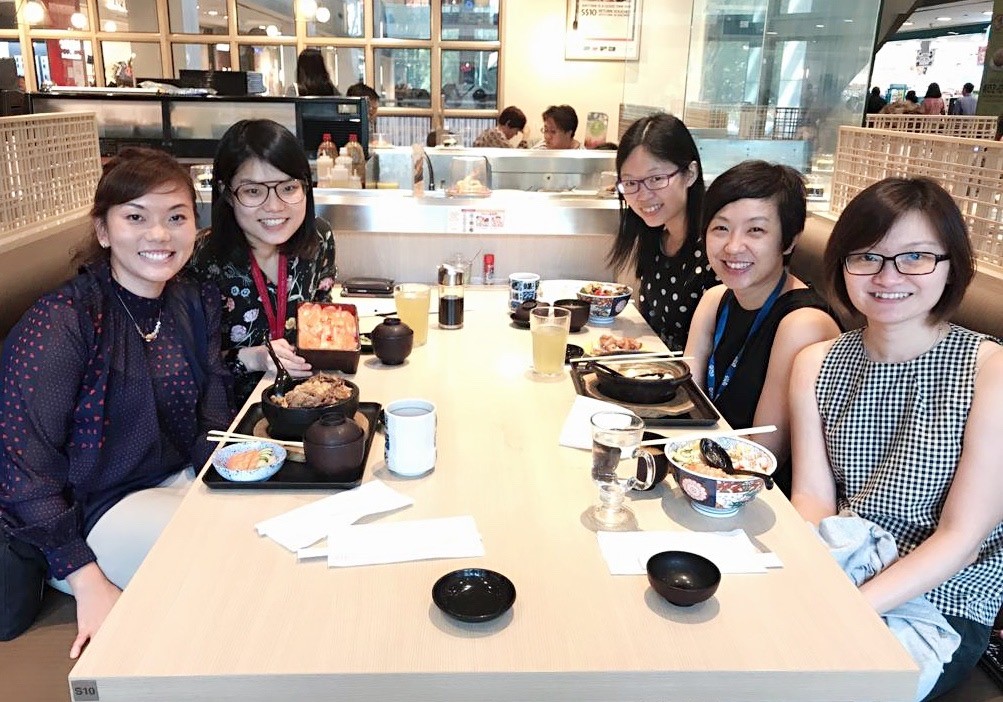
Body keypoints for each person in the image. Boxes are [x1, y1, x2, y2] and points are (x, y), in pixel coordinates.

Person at [0, 148, 234, 653]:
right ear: (104, 231)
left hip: (172, 483)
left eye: (176, 217)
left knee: (261, 530)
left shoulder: (193, 302)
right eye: (136, 217)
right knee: (228, 567)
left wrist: (223, 475)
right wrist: (86, 581)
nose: (159, 235)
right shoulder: (65, 322)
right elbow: (23, 466)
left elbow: (213, 404)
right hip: (85, 518)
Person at [789, 177, 1003, 701]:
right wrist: (809, 585)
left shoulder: (990, 370)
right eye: (867, 257)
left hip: (942, 598)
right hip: (840, 565)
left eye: (915, 257)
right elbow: (814, 498)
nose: (888, 277)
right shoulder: (816, 364)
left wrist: (848, 609)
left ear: (951, 266)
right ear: (842, 263)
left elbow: (961, 539)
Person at [683, 161, 841, 494]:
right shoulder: (715, 299)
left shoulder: (803, 323)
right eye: (721, 228)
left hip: (765, 502)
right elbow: (686, 401)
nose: (733, 246)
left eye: (755, 230)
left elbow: (761, 454)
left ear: (789, 241)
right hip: (707, 474)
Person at [188, 119, 337, 406]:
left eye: (289, 188)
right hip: (233, 418)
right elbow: (187, 365)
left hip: (307, 402)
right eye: (253, 191)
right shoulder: (199, 260)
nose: (274, 206)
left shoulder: (319, 239)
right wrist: (252, 357)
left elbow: (322, 317)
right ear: (228, 194)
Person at [607, 113, 716, 351]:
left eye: (656, 178)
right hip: (654, 374)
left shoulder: (715, 248)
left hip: (691, 385)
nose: (643, 195)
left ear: (690, 173)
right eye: (631, 183)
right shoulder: (655, 237)